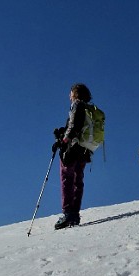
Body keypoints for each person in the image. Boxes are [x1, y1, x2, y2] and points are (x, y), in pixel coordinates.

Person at [51, 83, 93, 229]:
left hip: (72, 148)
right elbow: (76, 126)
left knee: (67, 178)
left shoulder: (76, 105)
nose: (69, 96)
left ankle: (68, 213)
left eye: (70, 93)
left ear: (75, 93)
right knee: (78, 179)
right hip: (85, 150)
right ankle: (74, 214)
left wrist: (63, 141)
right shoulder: (88, 108)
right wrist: (64, 131)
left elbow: (74, 126)